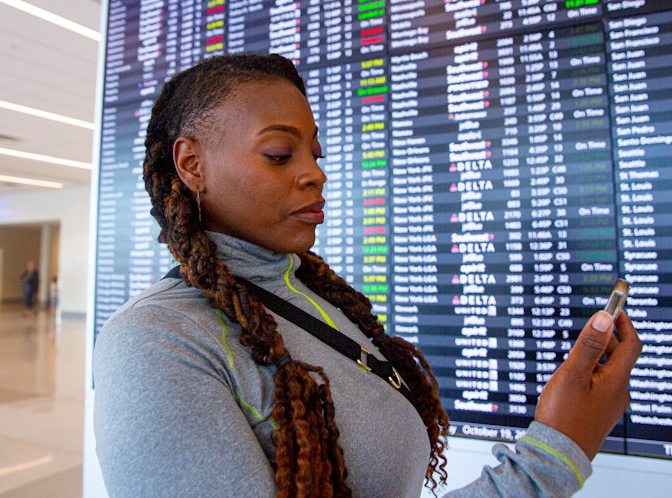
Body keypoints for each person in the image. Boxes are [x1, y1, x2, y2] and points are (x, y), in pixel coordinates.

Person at [92, 54, 642, 497]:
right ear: (191, 165)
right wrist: (552, 456)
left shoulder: (309, 296)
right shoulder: (154, 341)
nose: (315, 173)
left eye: (315, 152)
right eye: (280, 154)